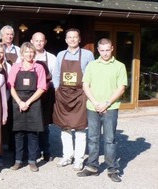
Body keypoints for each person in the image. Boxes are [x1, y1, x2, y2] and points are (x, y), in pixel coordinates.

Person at [77, 38, 127, 183]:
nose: (105, 53)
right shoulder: (92, 65)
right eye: (102, 50)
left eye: (107, 50)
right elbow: (86, 85)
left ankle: (112, 169)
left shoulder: (119, 66)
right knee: (93, 138)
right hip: (93, 107)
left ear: (112, 48)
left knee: (110, 140)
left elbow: (121, 87)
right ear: (98, 50)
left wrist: (106, 103)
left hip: (110, 108)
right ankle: (92, 167)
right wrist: (95, 102)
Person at [52, 28, 95, 171]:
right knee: (65, 128)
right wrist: (57, 89)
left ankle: (79, 159)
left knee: (80, 128)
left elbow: (91, 76)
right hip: (63, 95)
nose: (72, 39)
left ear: (79, 39)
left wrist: (88, 93)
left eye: (75, 37)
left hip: (80, 95)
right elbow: (56, 73)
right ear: (65, 40)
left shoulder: (88, 55)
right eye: (69, 37)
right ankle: (67, 156)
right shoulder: (60, 55)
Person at [7, 42, 47, 172]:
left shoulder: (39, 68)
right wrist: (19, 102)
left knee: (32, 133)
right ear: (22, 54)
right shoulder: (16, 67)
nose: (29, 54)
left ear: (34, 53)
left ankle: (32, 160)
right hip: (17, 101)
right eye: (26, 52)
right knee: (18, 133)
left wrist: (28, 102)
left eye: (31, 52)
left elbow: (42, 88)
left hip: (33, 102)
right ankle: (18, 160)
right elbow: (10, 86)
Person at [31, 32, 57, 162]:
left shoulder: (52, 58)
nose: (39, 43)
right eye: (36, 41)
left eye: (41, 41)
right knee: (32, 124)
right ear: (32, 41)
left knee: (45, 125)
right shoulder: (26, 56)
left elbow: (55, 77)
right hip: (30, 93)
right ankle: (34, 152)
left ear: (45, 42)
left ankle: (46, 150)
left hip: (46, 94)